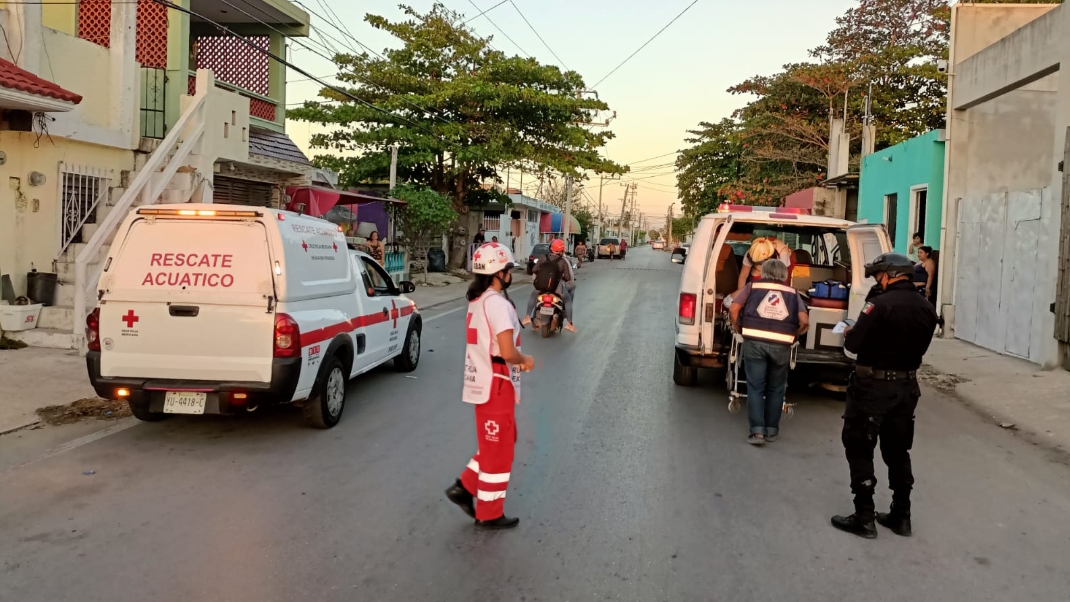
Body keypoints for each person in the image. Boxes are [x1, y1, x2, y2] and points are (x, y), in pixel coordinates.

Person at [831, 252, 937, 539]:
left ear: (889, 275)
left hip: (872, 387)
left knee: (859, 446)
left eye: (879, 276)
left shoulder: (877, 306)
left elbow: (853, 344)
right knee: (898, 451)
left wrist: (853, 331)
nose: (878, 281)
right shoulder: (927, 307)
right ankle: (902, 516)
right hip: (907, 387)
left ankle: (864, 517)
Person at [445, 242, 535, 530]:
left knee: (501, 442)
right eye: (508, 269)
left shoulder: (479, 299)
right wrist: (526, 359)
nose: (510, 273)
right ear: (498, 273)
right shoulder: (496, 303)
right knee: (499, 449)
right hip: (496, 381)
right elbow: (508, 352)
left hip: (484, 380)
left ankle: (466, 485)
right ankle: (489, 512)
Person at [730, 259, 809, 445]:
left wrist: (739, 328)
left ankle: (757, 433)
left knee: (756, 387)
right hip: (781, 345)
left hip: (754, 342)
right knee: (776, 388)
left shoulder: (752, 286)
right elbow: (805, 321)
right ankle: (772, 430)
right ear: (784, 275)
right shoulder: (793, 293)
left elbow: (734, 308)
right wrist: (794, 335)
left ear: (762, 272)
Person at [522, 239, 576, 333]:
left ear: (551, 248)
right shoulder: (563, 261)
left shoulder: (543, 258)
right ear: (562, 250)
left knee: (533, 297)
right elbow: (567, 277)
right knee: (567, 301)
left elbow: (534, 269)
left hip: (541, 287)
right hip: (557, 288)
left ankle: (527, 317)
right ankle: (569, 323)